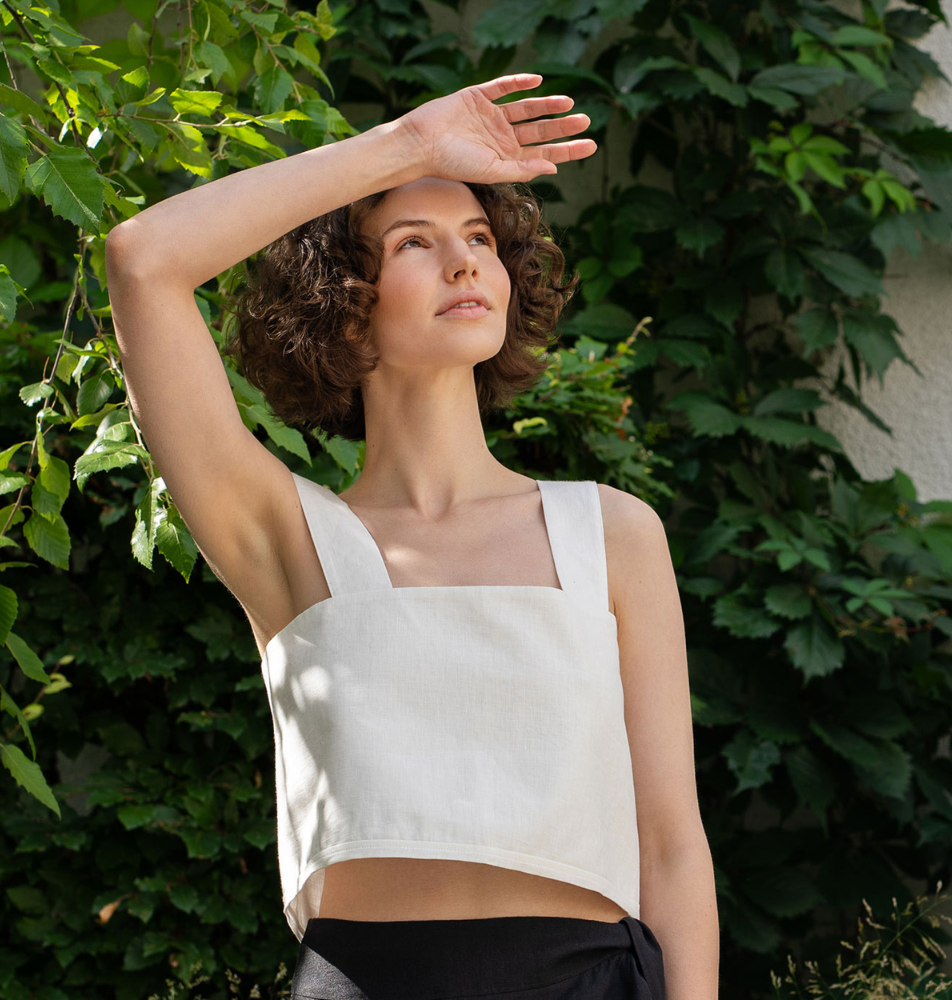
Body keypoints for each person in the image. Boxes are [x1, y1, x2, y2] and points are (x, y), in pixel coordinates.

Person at [105, 73, 719, 1000]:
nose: (465, 263)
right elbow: (143, 258)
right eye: (413, 244)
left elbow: (672, 845)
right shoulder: (290, 541)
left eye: (478, 238)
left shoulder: (611, 534)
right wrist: (409, 145)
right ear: (345, 298)